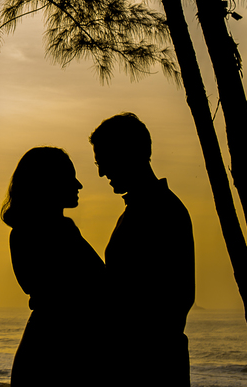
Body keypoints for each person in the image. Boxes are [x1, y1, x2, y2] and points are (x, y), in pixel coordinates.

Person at [90, 113, 194, 387]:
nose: (101, 173)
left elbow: (171, 297)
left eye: (104, 162)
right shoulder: (145, 209)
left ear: (126, 154)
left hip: (147, 363)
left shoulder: (160, 211)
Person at [2, 147, 107, 386]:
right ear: (49, 184)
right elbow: (99, 285)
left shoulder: (23, 233)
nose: (79, 185)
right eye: (70, 178)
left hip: (42, 344)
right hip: (61, 351)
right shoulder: (59, 233)